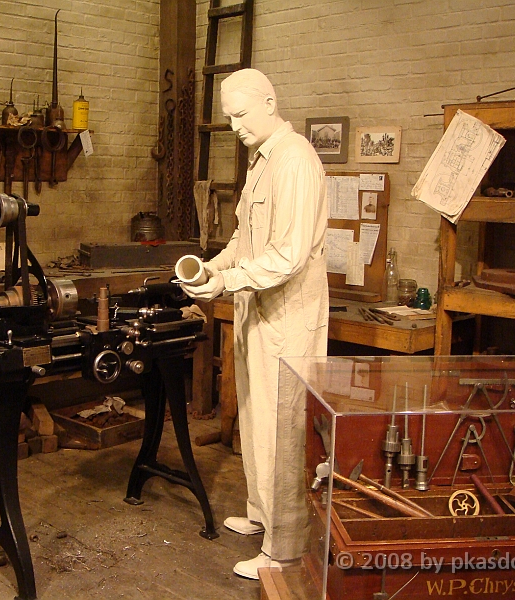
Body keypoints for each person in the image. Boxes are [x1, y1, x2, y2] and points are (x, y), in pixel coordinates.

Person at [180, 69, 328, 579]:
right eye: (228, 118)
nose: (235, 126)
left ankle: (284, 549)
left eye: (241, 115)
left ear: (269, 102)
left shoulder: (295, 161)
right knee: (256, 418)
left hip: (288, 318)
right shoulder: (262, 161)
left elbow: (288, 256)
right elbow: (245, 239)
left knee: (283, 428)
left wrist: (229, 281)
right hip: (256, 312)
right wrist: (213, 269)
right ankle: (264, 515)